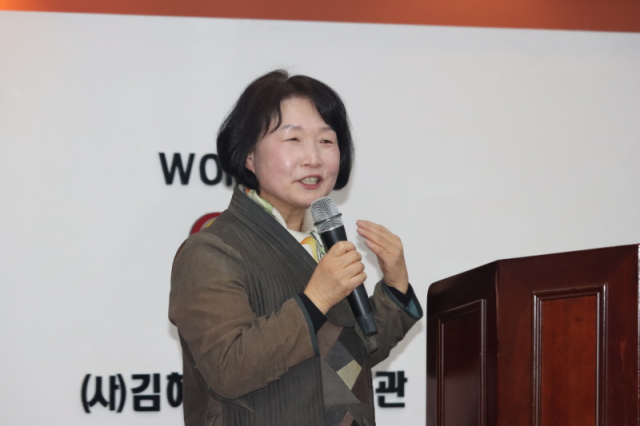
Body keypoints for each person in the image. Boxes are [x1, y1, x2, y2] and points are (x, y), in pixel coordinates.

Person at [169, 70, 423, 426]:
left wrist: (395, 288)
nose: (313, 158)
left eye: (326, 141)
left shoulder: (319, 247)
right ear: (249, 155)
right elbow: (229, 369)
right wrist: (315, 299)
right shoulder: (212, 250)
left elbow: (350, 360)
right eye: (293, 139)